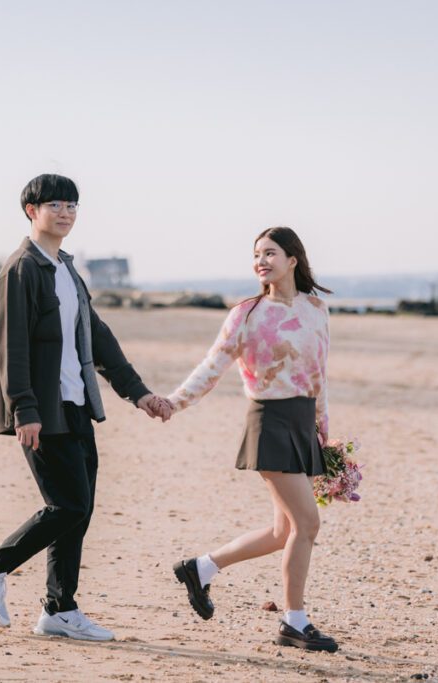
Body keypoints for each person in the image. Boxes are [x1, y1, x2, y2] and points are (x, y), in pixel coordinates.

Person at [0, 173, 170, 641]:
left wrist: (138, 393)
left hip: (75, 406)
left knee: (80, 508)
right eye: (55, 204)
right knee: (68, 504)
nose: (66, 212)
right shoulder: (20, 269)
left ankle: (59, 608)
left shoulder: (66, 269)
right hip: (42, 410)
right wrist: (24, 410)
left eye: (72, 204)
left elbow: (97, 338)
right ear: (31, 211)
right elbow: (11, 348)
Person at [166, 226, 339, 652]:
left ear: (293, 259)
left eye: (270, 253)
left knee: (284, 531)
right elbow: (213, 365)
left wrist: (323, 427)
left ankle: (201, 568)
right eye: (257, 255)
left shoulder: (317, 309)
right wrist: (174, 401)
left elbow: (319, 374)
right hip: (270, 422)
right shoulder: (246, 313)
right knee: (308, 524)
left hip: (302, 424)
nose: (261, 261)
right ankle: (294, 622)